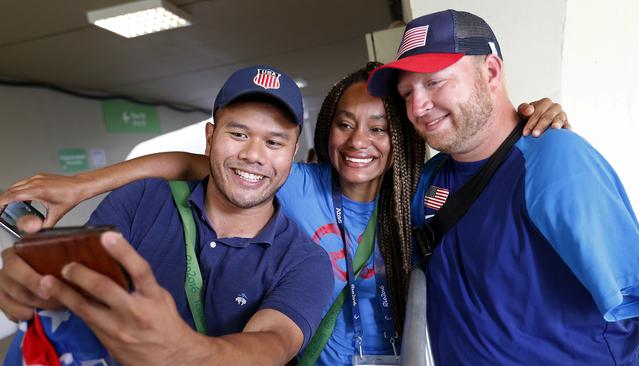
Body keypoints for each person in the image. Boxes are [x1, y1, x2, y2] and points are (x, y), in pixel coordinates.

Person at [0, 67, 568, 364]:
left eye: (379, 127)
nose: (359, 140)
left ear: (403, 135)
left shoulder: (425, 193)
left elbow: (488, 176)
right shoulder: (294, 182)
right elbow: (191, 164)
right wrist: (77, 186)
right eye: (345, 123)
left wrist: (525, 123)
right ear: (321, 134)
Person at [366, 9, 639, 365]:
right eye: (406, 93)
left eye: (433, 82)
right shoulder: (430, 179)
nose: (417, 107)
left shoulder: (556, 160)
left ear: (491, 72)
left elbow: (630, 302)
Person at [0, 65, 334, 365]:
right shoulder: (141, 199)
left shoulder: (306, 261)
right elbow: (81, 282)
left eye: (274, 143)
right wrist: (38, 288)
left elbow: (272, 344)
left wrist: (189, 352)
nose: (252, 155)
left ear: (293, 154)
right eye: (238, 134)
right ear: (210, 138)